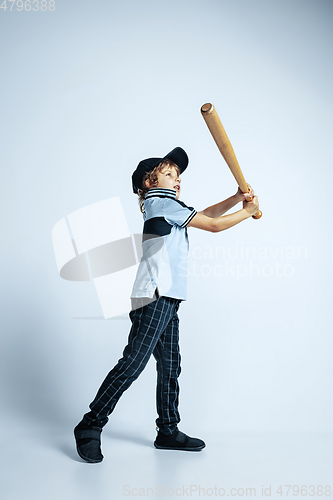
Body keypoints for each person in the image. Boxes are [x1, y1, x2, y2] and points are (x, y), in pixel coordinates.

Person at [74, 147, 259, 463]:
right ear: (149, 182)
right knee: (133, 363)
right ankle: (90, 425)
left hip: (168, 297)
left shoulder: (168, 206)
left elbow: (207, 214)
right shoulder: (159, 203)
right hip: (154, 294)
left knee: (171, 364)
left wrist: (236, 198)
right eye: (170, 173)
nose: (177, 180)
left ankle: (168, 431)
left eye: (179, 176)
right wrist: (247, 211)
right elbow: (212, 226)